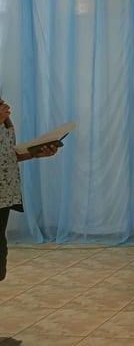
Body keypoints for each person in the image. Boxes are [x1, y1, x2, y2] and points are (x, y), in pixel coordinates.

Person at [0, 98, 58, 282]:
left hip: (5, 194)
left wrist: (34, 153)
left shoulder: (5, 120)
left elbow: (7, 154)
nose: (6, 106)